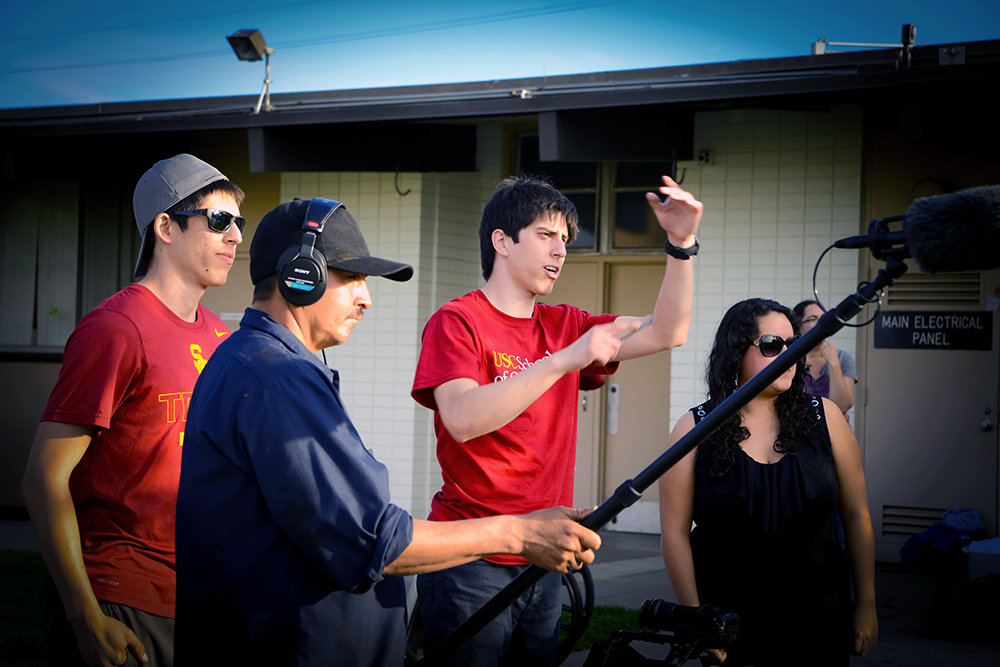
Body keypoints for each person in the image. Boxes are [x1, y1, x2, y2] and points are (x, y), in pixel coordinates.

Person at [173, 197, 602, 666]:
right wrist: (518, 535)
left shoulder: (257, 363)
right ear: (301, 275)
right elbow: (374, 540)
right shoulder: (277, 379)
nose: (366, 298)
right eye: (352, 278)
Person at [412, 174, 703, 665]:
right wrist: (565, 359)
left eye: (565, 239)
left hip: (545, 555)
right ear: (501, 241)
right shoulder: (458, 320)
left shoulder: (565, 324)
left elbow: (668, 331)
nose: (560, 250)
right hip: (469, 559)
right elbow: (461, 418)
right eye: (546, 235)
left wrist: (681, 244)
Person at [21, 154, 246, 667]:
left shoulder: (218, 334)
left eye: (238, 222)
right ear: (165, 227)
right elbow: (43, 478)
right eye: (218, 220)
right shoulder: (116, 328)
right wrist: (84, 615)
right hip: (119, 597)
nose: (234, 236)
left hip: (193, 594)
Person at [657, 298, 878, 667]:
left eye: (794, 345)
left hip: (820, 620)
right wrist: (696, 621)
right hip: (731, 628)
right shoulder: (694, 428)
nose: (788, 355)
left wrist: (867, 603)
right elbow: (675, 533)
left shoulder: (827, 418)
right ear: (736, 351)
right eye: (773, 344)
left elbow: (857, 516)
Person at [792, 299, 856, 414]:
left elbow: (842, 406)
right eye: (813, 319)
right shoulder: (790, 359)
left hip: (833, 429)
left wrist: (834, 364)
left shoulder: (843, 358)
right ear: (798, 326)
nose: (821, 323)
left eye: (823, 318)